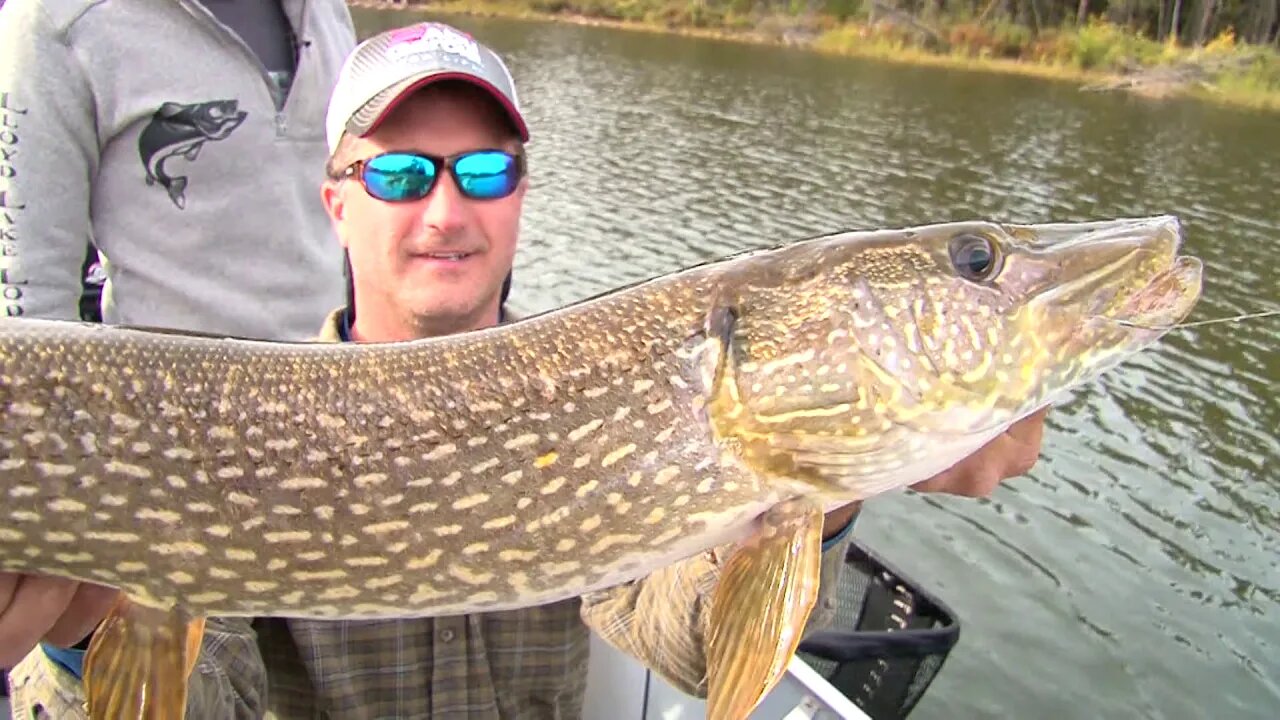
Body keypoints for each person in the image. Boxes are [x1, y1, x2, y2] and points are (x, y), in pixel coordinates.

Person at [2, 20, 1048, 719]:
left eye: (486, 170)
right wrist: (77, 637)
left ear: (521, 193)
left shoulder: (618, 411)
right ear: (336, 201)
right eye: (402, 172)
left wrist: (822, 493)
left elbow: (682, 646)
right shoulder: (243, 431)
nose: (447, 211)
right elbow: (207, 699)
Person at [0, 0, 357, 711]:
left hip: (342, 479)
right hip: (168, 491)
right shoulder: (60, 25)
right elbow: (23, 322)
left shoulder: (328, 13)